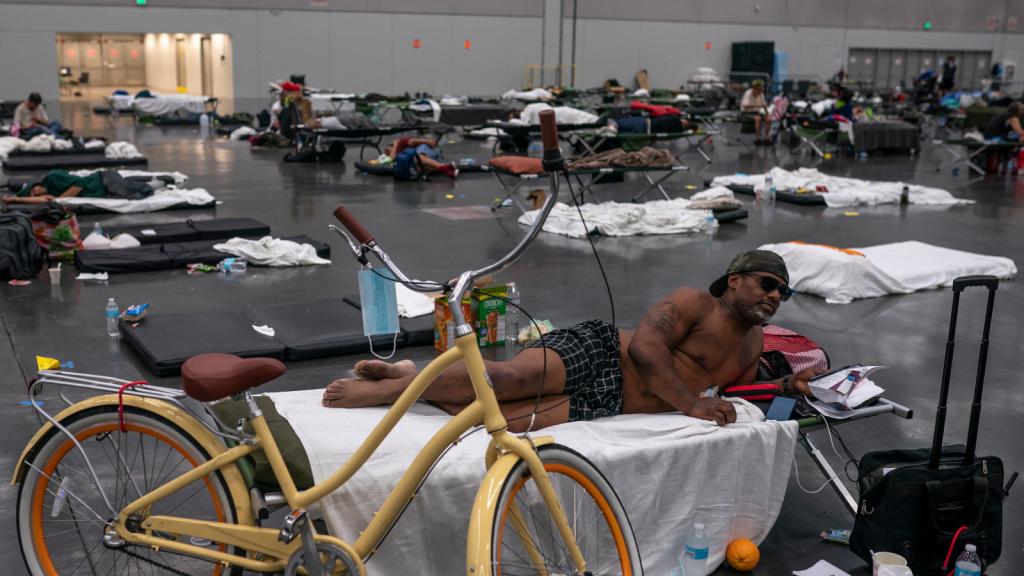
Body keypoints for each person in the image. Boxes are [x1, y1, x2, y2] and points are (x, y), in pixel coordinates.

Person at [323, 250, 823, 431]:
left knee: (496, 422)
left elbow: (732, 388)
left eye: (783, 290)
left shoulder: (754, 344)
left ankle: (413, 376)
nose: (775, 296)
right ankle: (391, 390)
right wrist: (690, 404)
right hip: (602, 353)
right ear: (735, 280)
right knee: (507, 378)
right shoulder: (694, 302)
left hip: (615, 404)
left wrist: (784, 388)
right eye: (767, 284)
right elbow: (647, 349)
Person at [1, 169, 152, 205]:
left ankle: (152, 185)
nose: (37, 192)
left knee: (127, 189)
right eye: (35, 194)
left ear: (37, 184)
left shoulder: (52, 178)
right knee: (127, 196)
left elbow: (78, 185)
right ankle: (151, 181)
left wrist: (59, 199)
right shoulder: (49, 193)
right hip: (103, 192)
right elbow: (42, 199)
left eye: (35, 189)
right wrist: (14, 198)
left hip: (103, 180)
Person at [387, 136, 459, 179]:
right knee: (419, 166)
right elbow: (391, 159)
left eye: (387, 149)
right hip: (426, 159)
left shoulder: (401, 142)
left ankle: (444, 168)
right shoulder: (398, 155)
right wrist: (394, 147)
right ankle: (447, 169)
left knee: (418, 156)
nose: (386, 151)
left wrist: (427, 141)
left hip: (428, 149)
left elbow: (413, 141)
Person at [740, 80, 772, 145]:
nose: (760, 91)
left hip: (756, 112)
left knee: (769, 119)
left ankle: (766, 137)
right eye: (759, 89)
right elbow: (745, 106)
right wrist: (758, 105)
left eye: (761, 89)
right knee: (758, 118)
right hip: (746, 113)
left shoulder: (761, 94)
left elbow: (764, 105)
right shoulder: (748, 93)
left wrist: (767, 114)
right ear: (754, 88)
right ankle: (757, 139)